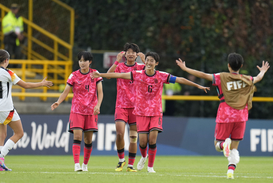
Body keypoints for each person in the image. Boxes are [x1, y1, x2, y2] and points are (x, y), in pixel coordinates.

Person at [91, 52, 209, 173]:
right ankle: (143, 156)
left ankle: (150, 167)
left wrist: (198, 86)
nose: (148, 63)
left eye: (152, 61)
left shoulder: (162, 75)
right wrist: (100, 74)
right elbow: (119, 75)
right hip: (141, 113)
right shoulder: (137, 74)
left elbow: (180, 79)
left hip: (155, 112)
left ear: (156, 63)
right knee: (142, 142)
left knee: (152, 140)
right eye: (147, 60)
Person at [176, 53, 270, 179]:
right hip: (241, 116)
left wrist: (186, 69)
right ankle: (230, 171)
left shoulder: (221, 77)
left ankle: (223, 145)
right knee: (235, 147)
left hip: (225, 115)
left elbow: (203, 75)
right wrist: (263, 71)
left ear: (228, 65)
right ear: (241, 66)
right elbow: (258, 78)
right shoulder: (247, 78)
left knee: (218, 144)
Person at [0, 49, 53, 171]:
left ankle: (1, 166)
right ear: (6, 60)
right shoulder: (8, 73)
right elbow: (25, 85)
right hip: (6, 108)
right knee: (19, 133)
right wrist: (41, 84)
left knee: (1, 135)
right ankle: (0, 156)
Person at [51, 51, 103, 172]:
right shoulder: (73, 75)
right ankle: (76, 165)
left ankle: (85, 164)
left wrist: (98, 105)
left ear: (89, 62)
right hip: (77, 110)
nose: (82, 63)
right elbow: (66, 91)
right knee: (77, 136)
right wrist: (58, 101)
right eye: (80, 60)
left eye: (84, 60)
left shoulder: (95, 74)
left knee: (88, 140)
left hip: (91, 111)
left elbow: (100, 92)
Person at [106, 43, 145, 172]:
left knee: (133, 137)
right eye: (128, 52)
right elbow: (108, 75)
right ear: (125, 54)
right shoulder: (120, 67)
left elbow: (153, 73)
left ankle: (130, 165)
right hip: (121, 106)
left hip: (136, 107)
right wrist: (116, 61)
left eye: (133, 52)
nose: (130, 54)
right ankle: (121, 160)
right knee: (119, 133)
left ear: (136, 55)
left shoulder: (140, 67)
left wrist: (145, 61)